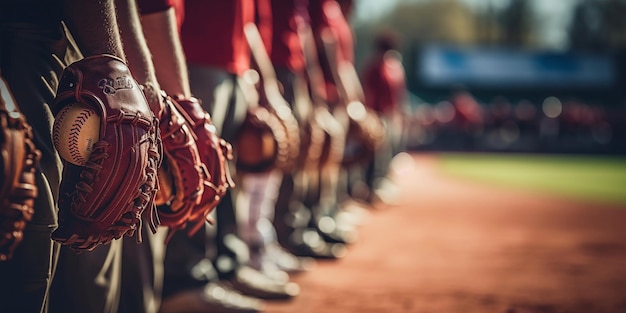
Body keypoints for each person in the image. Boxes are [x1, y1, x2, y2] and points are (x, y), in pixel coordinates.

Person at [0, 1, 160, 312]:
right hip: (24, 43)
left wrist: (125, 75)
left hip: (67, 46)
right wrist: (116, 70)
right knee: (28, 251)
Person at [360, 31, 410, 204]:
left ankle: (380, 184)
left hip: (389, 116)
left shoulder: (394, 67)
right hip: (376, 115)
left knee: (386, 152)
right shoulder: (375, 67)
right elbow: (369, 92)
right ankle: (370, 188)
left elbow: (398, 95)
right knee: (374, 154)